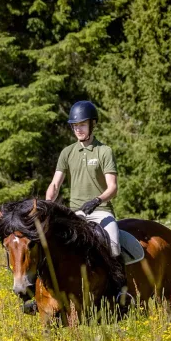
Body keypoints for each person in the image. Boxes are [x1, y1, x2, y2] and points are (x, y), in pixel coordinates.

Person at [45, 100, 130, 304]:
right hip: (75, 213)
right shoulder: (67, 152)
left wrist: (97, 200)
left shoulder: (104, 151)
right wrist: (47, 204)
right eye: (75, 126)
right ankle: (39, 292)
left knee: (114, 243)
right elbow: (55, 184)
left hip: (100, 211)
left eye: (82, 125)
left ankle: (121, 290)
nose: (78, 129)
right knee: (48, 242)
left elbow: (113, 187)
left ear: (92, 125)